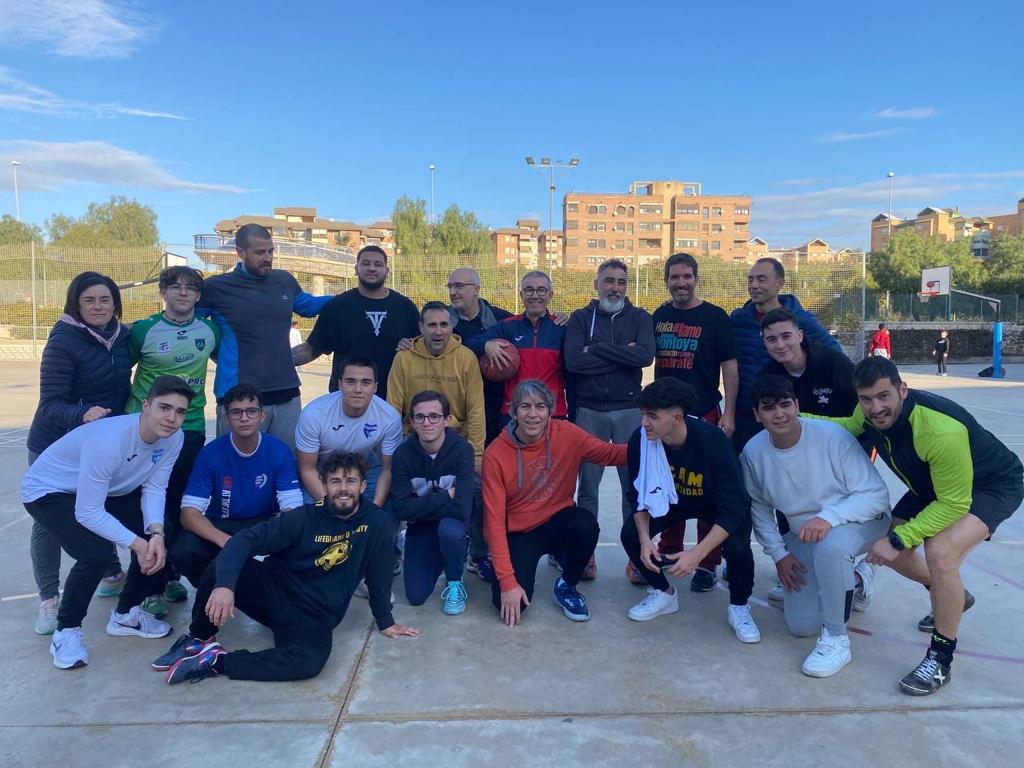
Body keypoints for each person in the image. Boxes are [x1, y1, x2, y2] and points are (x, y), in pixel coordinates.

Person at [829, 357, 1023, 695]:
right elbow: (846, 426)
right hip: (934, 484)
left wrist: (900, 538)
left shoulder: (938, 429)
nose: (876, 408)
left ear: (902, 390)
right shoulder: (866, 412)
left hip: (992, 484)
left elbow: (955, 503)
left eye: (884, 396)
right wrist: (793, 420)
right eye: (867, 399)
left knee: (940, 553)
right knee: (889, 547)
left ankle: (940, 659)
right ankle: (952, 596)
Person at [157, 452, 419, 685]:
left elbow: (379, 572)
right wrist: (225, 586)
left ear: (362, 486)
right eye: (335, 481)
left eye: (350, 481)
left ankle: (215, 661)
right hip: (275, 592)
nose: (343, 489)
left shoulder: (377, 523)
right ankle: (198, 639)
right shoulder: (303, 517)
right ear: (324, 485)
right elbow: (243, 541)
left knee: (309, 662)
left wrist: (385, 621)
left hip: (314, 615)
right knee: (220, 568)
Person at [21, 376, 193, 669]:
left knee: (163, 531)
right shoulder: (109, 442)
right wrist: (138, 544)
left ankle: (126, 614)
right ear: (146, 406)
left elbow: (155, 487)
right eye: (164, 408)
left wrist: (156, 533)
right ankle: (66, 631)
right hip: (49, 489)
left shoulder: (174, 438)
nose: (171, 418)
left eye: (180, 411)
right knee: (96, 555)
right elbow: (87, 512)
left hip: (107, 488)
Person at [740, 375, 890, 677]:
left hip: (862, 520)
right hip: (807, 534)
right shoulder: (753, 453)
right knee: (801, 626)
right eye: (768, 408)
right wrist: (779, 554)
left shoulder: (833, 437)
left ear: (797, 405)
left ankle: (836, 639)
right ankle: (858, 579)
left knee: (833, 549)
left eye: (785, 404)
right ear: (757, 414)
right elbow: (760, 508)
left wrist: (829, 517)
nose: (779, 414)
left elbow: (876, 496)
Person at [26, 271, 130, 635]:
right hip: (54, 446)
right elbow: (50, 404)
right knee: (49, 522)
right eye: (89, 300)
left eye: (104, 299)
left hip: (97, 444)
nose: (98, 306)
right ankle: (48, 600)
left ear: (115, 303)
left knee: (98, 505)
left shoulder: (123, 337)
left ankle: (111, 574)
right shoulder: (63, 341)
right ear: (76, 304)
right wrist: (81, 414)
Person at [621, 378, 760, 643]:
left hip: (715, 505)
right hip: (672, 501)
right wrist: (644, 539)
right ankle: (664, 593)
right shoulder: (640, 440)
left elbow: (734, 508)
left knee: (738, 547)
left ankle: (740, 606)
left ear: (677, 417)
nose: (644, 423)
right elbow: (637, 496)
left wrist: (696, 555)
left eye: (652, 416)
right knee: (630, 534)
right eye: (643, 414)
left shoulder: (713, 441)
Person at [482, 380, 627, 626]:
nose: (533, 414)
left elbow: (609, 453)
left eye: (540, 406)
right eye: (525, 406)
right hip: (520, 531)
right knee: (509, 604)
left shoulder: (567, 433)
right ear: (514, 412)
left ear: (550, 411)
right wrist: (507, 583)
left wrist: (655, 444)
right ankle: (522, 570)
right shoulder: (495, 454)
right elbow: (494, 523)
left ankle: (566, 584)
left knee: (585, 525)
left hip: (557, 520)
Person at [759, 307, 876, 609]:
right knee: (791, 505)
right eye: (771, 339)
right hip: (801, 453)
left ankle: (858, 574)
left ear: (800, 335)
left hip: (847, 448)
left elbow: (863, 408)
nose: (780, 344)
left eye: (786, 336)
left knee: (842, 511)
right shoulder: (769, 374)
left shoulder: (832, 363)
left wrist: (859, 448)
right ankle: (800, 569)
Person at [125, 265, 219, 617]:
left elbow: (226, 361)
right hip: (146, 432)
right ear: (162, 292)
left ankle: (170, 576)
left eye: (190, 287)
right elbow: (120, 369)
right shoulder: (144, 330)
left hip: (189, 429)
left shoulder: (209, 330)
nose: (183, 292)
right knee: (148, 509)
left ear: (198, 295)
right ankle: (147, 588)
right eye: (175, 286)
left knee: (179, 507)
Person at [647, 253, 739, 593]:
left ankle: (707, 562)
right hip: (666, 417)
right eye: (674, 277)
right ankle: (669, 550)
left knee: (706, 490)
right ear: (666, 281)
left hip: (704, 411)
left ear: (696, 279)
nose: (681, 282)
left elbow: (729, 366)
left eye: (686, 276)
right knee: (669, 485)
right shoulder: (659, 316)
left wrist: (729, 412)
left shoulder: (715, 317)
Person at [199, 223, 331, 450]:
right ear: (240, 252)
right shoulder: (215, 287)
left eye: (270, 251)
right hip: (237, 395)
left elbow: (309, 306)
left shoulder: (284, 280)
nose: (268, 258)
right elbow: (190, 324)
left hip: (286, 392)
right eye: (260, 252)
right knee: (236, 463)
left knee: (287, 461)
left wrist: (350, 297)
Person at [564, 258, 655, 581]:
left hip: (630, 410)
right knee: (588, 488)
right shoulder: (580, 318)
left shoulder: (640, 317)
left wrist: (597, 349)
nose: (615, 287)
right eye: (609, 281)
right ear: (597, 284)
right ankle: (585, 553)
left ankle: (637, 555)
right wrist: (621, 354)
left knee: (633, 487)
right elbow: (574, 362)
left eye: (621, 282)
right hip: (589, 412)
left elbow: (644, 356)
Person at [173, 384, 304, 587]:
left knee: (300, 538)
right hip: (222, 523)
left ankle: (269, 589)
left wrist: (267, 534)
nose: (244, 418)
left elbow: (292, 507)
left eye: (251, 411)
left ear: (262, 416)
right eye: (236, 412)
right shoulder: (211, 453)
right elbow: (189, 513)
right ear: (226, 418)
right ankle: (211, 586)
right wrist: (227, 541)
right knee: (182, 552)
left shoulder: (279, 450)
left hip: (263, 523)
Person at [730, 257, 841, 453]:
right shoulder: (738, 320)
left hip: (785, 419)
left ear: (779, 284)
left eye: (761, 279)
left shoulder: (802, 320)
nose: (754, 285)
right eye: (750, 279)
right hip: (746, 417)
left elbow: (833, 355)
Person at [292, 245, 420, 400]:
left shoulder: (405, 308)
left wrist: (412, 347)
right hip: (347, 401)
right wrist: (274, 362)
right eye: (365, 263)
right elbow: (311, 349)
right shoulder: (337, 306)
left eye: (378, 264)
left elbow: (422, 349)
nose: (371, 268)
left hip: (394, 400)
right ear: (356, 269)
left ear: (387, 272)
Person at [390, 391, 475, 614]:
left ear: (447, 420)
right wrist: (446, 495)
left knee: (450, 532)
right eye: (420, 417)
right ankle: (446, 554)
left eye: (434, 416)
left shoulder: (462, 450)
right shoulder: (403, 455)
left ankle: (454, 579)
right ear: (411, 422)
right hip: (422, 526)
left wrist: (417, 509)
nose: (427, 423)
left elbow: (462, 508)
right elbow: (400, 509)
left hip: (450, 523)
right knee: (416, 596)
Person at [295, 356, 403, 512]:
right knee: (313, 516)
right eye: (350, 382)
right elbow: (307, 469)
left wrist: (374, 510)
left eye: (366, 382)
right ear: (340, 384)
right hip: (322, 466)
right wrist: (334, 507)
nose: (358, 389)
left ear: (375, 387)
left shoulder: (390, 417)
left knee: (386, 511)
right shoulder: (313, 414)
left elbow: (388, 469)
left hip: (364, 465)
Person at [464, 271, 569, 423]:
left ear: (550, 295)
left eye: (541, 290)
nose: (535, 295)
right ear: (521, 295)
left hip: (552, 413)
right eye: (529, 290)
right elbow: (468, 343)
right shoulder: (508, 326)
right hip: (513, 414)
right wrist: (486, 345)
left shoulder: (562, 328)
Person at [387, 301, 485, 460]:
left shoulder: (467, 358)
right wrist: (390, 452)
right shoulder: (403, 358)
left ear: (451, 326)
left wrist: (477, 454)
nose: (438, 332)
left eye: (444, 324)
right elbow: (393, 408)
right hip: (413, 435)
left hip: (456, 436)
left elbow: (476, 410)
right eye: (432, 325)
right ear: (421, 328)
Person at [446, 267, 513, 447]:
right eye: (450, 286)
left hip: (494, 406)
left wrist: (559, 318)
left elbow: (529, 328)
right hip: (455, 408)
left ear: (476, 289)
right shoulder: (442, 320)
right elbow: (422, 342)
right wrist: (484, 345)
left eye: (459, 286)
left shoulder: (502, 319)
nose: (453, 292)